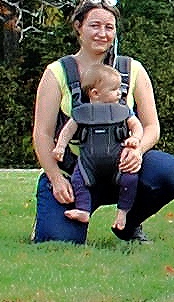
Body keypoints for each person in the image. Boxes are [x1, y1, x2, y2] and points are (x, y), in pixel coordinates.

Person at [32, 0, 174, 244]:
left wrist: (138, 150)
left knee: (169, 173)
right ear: (78, 27)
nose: (102, 33)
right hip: (76, 175)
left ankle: (128, 224)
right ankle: (51, 218)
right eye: (94, 25)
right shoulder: (56, 72)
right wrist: (55, 177)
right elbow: (42, 134)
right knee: (57, 241)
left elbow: (151, 126)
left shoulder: (132, 69)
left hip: (122, 171)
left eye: (109, 27)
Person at [50, 63, 145, 231]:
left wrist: (135, 140)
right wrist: (60, 147)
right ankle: (83, 209)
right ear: (94, 93)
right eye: (114, 89)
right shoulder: (82, 112)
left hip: (118, 162)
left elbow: (137, 126)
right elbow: (68, 130)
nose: (120, 93)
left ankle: (123, 212)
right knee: (78, 180)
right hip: (88, 162)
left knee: (130, 179)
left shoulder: (122, 110)